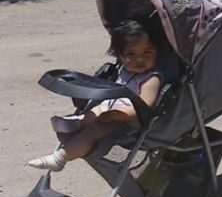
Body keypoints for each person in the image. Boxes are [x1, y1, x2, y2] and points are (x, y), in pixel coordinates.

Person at [28, 20, 162, 172]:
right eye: (131, 54)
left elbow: (143, 108)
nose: (139, 59)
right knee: (93, 112)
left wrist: (115, 115)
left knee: (93, 131)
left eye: (147, 52)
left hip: (130, 123)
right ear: (120, 56)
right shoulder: (122, 70)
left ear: (157, 52)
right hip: (109, 109)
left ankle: (59, 158)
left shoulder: (151, 78)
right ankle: (76, 122)